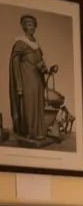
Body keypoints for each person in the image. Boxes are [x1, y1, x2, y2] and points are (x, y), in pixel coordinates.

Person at [9, 14, 48, 142]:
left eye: (33, 25)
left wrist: (43, 67)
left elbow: (39, 59)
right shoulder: (20, 43)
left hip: (37, 80)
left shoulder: (36, 44)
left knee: (38, 104)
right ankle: (29, 132)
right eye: (29, 25)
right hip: (26, 79)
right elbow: (15, 65)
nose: (32, 28)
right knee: (28, 105)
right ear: (24, 26)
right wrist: (18, 84)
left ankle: (38, 133)